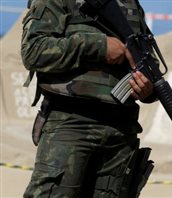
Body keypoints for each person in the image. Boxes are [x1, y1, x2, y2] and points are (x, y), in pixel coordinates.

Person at [21, 0, 156, 197]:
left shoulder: (131, 5)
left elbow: (147, 64)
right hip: (71, 123)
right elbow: (33, 51)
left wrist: (147, 88)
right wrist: (99, 46)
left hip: (121, 131)